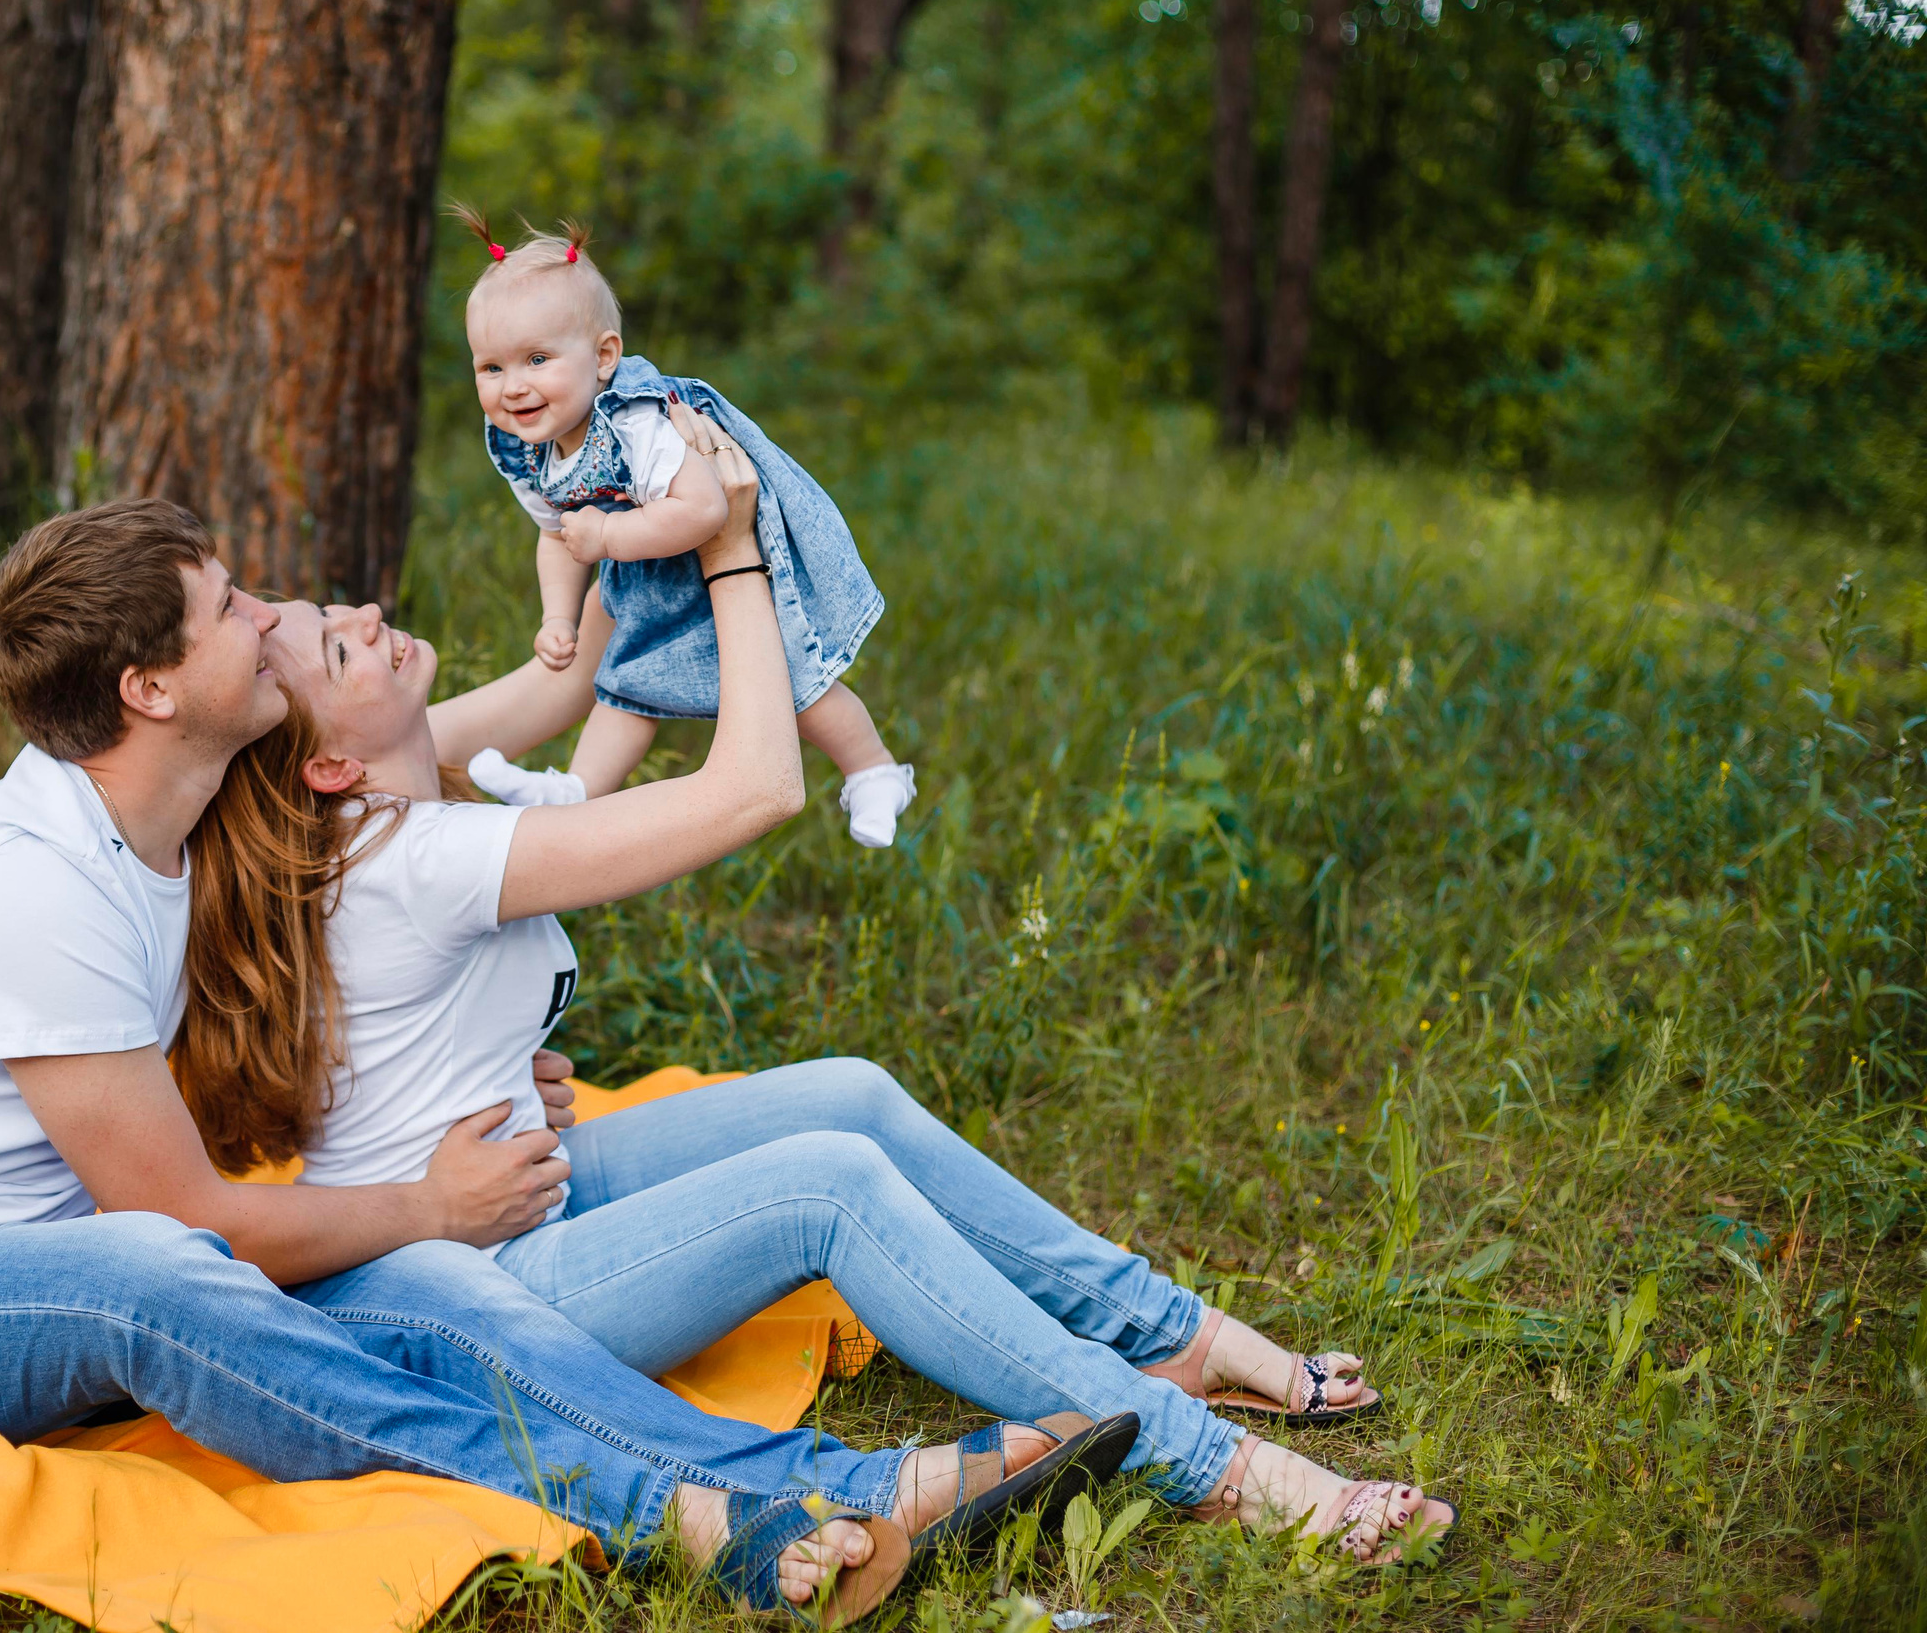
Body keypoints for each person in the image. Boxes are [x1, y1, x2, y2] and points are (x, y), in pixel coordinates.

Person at [0, 497, 1101, 1626]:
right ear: (150, 687)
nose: (268, 615)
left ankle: (836, 1491)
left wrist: (622, 518)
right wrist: (427, 1200)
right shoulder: (32, 886)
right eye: (230, 609)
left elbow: (455, 745)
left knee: (420, 1284)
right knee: (170, 1269)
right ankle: (694, 1514)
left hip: (45, 1264)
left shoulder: (179, 813)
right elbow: (183, 1219)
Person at [202, 400, 1459, 1569]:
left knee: (846, 1094)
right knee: (827, 1187)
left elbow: (577, 672)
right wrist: (733, 553)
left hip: (511, 1191)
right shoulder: (415, 852)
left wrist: (629, 484)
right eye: (338, 643)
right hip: (479, 1291)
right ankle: (1214, 1466)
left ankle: (1174, 1338)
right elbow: (756, 788)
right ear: (326, 766)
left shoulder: (377, 787)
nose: (368, 611)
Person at [446, 206, 917, 848]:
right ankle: (575, 790)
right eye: (491, 368)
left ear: (604, 356)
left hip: (736, 561)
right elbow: (556, 533)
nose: (513, 387)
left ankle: (873, 771)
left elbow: (704, 509)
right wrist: (559, 616)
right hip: (656, 572)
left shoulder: (636, 423)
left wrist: (607, 539)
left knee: (797, 682)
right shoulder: (529, 447)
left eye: (536, 359)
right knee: (623, 685)